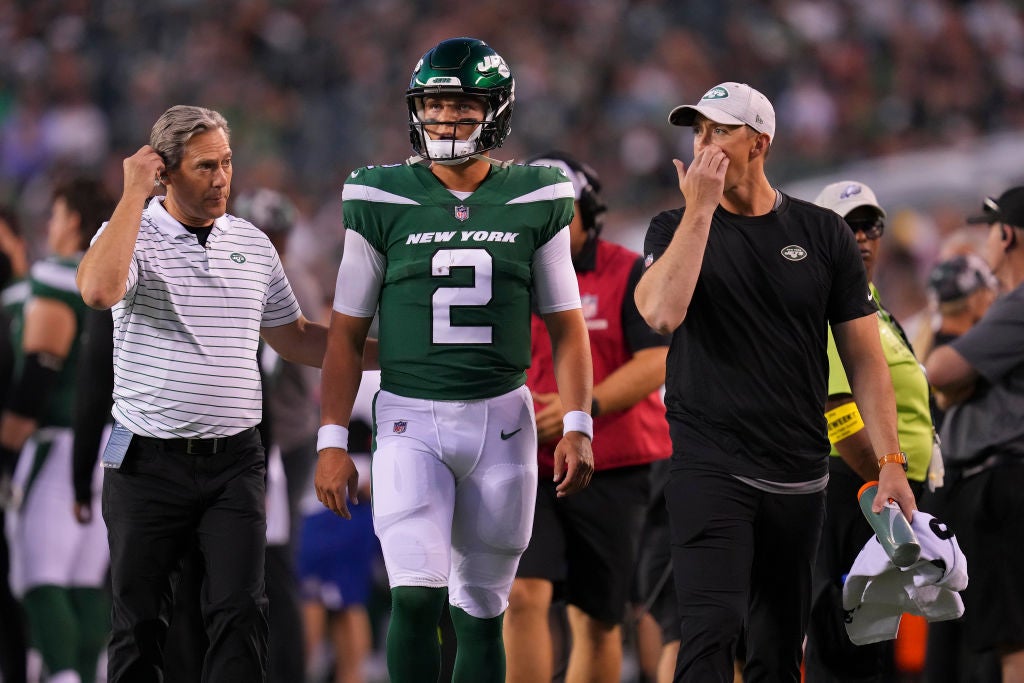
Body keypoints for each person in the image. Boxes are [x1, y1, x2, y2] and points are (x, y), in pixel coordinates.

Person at [313, 37, 595, 683]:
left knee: (481, 609)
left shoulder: (537, 193)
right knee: (413, 593)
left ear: (496, 110)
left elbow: (568, 327)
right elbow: (345, 334)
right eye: (434, 105)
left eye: (461, 105)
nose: (443, 119)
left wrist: (578, 424)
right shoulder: (378, 194)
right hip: (410, 414)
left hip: (503, 419)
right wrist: (332, 438)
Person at [633, 82, 915, 683]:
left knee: (780, 648)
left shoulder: (823, 234)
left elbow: (865, 361)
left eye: (720, 130)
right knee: (709, 632)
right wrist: (700, 211)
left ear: (759, 142)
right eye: (698, 131)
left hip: (799, 474)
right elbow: (661, 313)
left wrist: (890, 461)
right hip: (709, 464)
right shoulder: (672, 227)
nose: (704, 144)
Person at [75, 105, 329, 683]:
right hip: (147, 461)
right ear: (163, 172)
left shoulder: (253, 242)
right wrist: (131, 196)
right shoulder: (131, 234)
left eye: (227, 164)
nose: (221, 179)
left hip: (235, 461)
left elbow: (294, 338)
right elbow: (96, 290)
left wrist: (388, 350)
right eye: (205, 166)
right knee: (140, 622)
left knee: (240, 613)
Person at [504, 151, 672, 683]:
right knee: (522, 595)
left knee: (598, 619)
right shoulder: (505, 276)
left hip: (613, 463)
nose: (547, 224)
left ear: (589, 212)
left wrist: (583, 409)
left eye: (561, 210)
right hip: (525, 461)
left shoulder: (626, 270)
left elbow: (658, 357)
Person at [802, 181, 935, 682]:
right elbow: (838, 409)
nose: (861, 236)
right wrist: (887, 489)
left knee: (881, 641)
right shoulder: (832, 301)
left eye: (870, 225)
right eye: (846, 226)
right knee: (849, 634)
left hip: (884, 489)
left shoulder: (869, 302)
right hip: (858, 492)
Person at [0, 178, 115, 683]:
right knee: (86, 584)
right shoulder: (120, 273)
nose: (50, 227)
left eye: (54, 217)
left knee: (38, 580)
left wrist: (9, 439)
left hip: (57, 446)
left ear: (71, 220)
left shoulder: (54, 274)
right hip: (111, 447)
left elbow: (39, 377)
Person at [925, 186, 1024, 683]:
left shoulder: (1017, 303)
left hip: (1006, 481)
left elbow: (940, 370)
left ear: (1006, 234)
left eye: (988, 230)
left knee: (1014, 647)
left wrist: (959, 378)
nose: (984, 241)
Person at [918, 256, 999, 683]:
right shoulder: (967, 357)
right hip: (969, 496)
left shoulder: (926, 344)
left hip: (933, 503)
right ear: (976, 299)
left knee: (943, 628)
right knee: (983, 626)